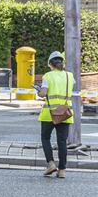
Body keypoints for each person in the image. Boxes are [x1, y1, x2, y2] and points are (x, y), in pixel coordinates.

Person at [38, 51, 75, 179]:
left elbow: (43, 93)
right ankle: (62, 170)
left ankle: (51, 164)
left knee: (45, 138)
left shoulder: (47, 76)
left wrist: (39, 91)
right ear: (62, 63)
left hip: (50, 113)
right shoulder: (70, 76)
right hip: (65, 113)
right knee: (62, 142)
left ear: (50, 64)